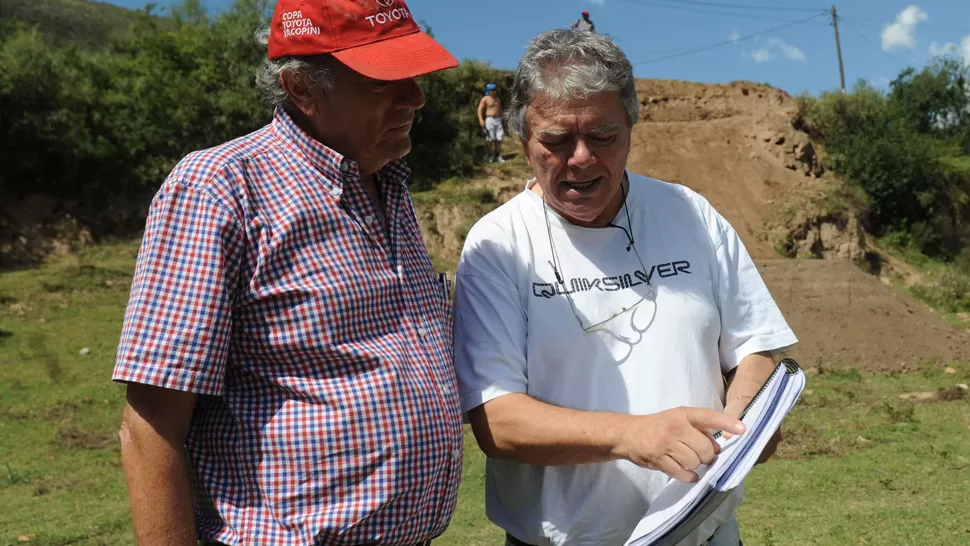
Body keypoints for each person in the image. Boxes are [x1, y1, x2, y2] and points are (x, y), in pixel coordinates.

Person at [113, 1, 465, 544]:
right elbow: (151, 428)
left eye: (413, 74)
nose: (415, 97)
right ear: (302, 88)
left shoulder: (388, 184)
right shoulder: (218, 189)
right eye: (382, 81)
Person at [453, 28, 798, 546]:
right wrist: (633, 436)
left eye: (603, 135)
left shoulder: (690, 214)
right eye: (556, 141)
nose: (582, 157)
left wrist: (744, 427)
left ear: (632, 128)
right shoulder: (498, 244)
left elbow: (754, 346)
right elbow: (499, 422)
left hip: (707, 535)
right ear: (524, 138)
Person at [479, 82, 505, 163]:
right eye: (493, 90)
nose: (495, 91)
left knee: (499, 138)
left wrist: (503, 118)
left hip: (498, 120)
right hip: (489, 120)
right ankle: (490, 155)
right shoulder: (485, 99)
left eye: (495, 89)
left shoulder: (497, 99)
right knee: (490, 139)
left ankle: (497, 155)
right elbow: (480, 110)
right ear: (489, 91)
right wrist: (481, 120)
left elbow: (500, 110)